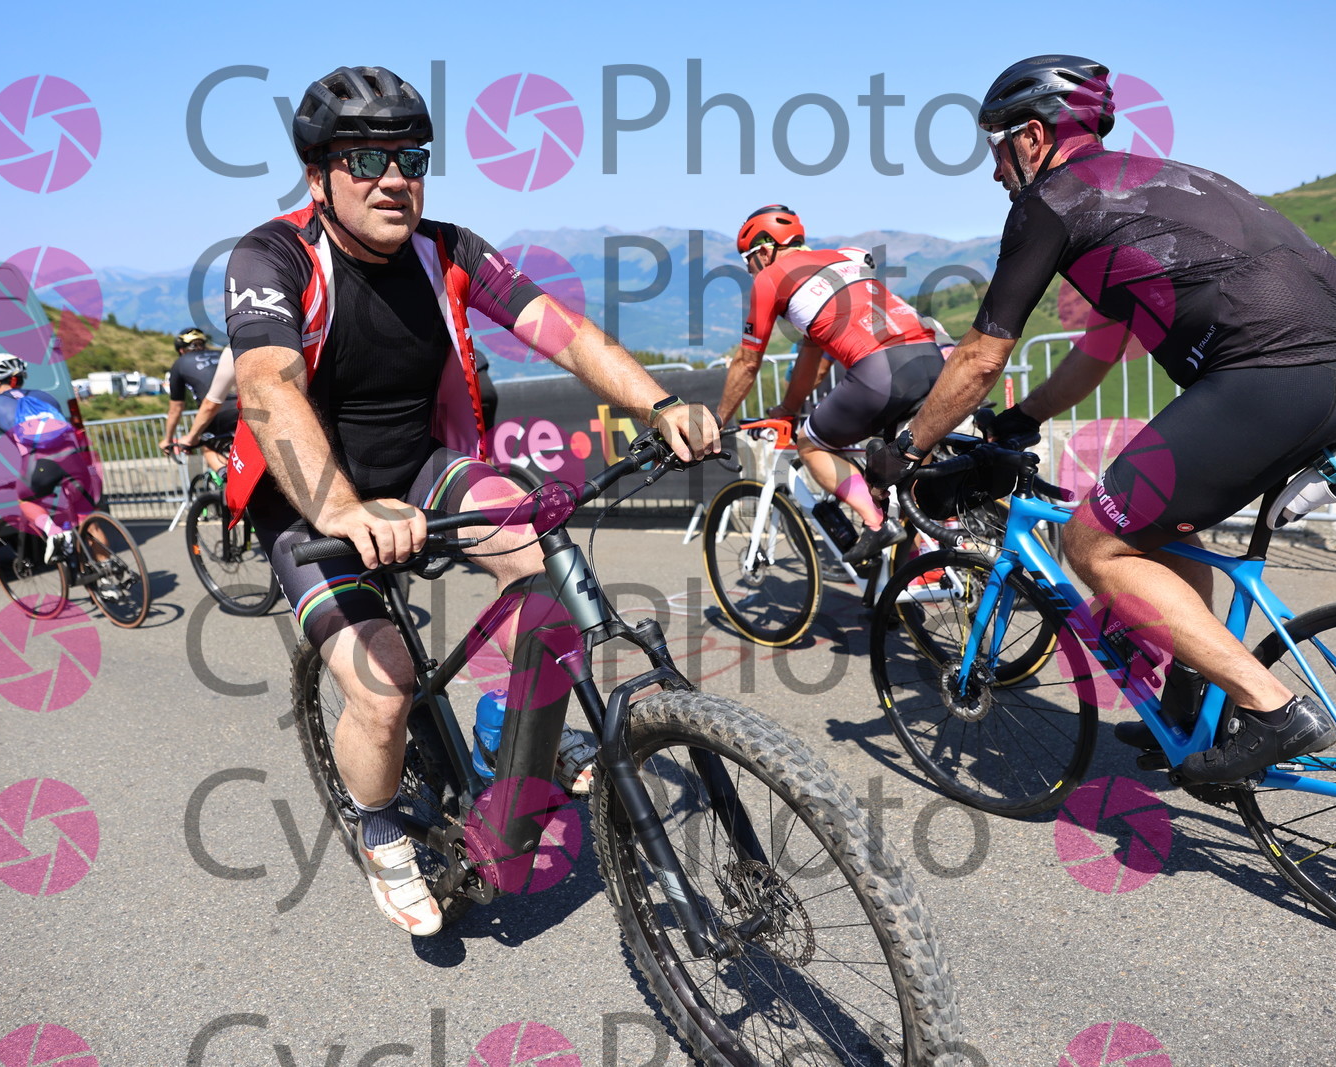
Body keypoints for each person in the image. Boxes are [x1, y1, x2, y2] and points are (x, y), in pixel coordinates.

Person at [222, 65, 719, 936]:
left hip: (417, 467)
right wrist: (342, 510)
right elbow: (267, 384)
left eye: (411, 158)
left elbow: (560, 329)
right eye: (365, 159)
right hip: (308, 500)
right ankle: (380, 825)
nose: (394, 178)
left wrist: (661, 404)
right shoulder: (273, 256)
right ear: (318, 177)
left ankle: (507, 740)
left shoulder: (447, 248)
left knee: (545, 569)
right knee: (386, 689)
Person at [874, 55, 1336, 784]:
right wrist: (1020, 417)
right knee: (1157, 524)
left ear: (1032, 137)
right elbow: (1100, 347)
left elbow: (981, 356)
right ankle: (1192, 699)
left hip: (1272, 375)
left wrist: (907, 446)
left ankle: (1274, 710)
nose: (994, 172)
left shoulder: (1051, 202)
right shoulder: (1154, 185)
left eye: (996, 148)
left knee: (1092, 541)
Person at [715, 204, 950, 565]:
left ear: (763, 251)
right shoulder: (840, 259)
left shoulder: (770, 278)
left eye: (748, 261)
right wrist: (789, 408)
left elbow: (747, 363)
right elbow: (812, 360)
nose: (750, 271)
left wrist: (717, 422)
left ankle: (875, 525)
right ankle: (914, 575)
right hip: (931, 359)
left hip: (882, 372)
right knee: (904, 475)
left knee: (811, 444)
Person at [0, 354, 95, 561]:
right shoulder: (46, 397)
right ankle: (108, 571)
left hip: (40, 463)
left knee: (26, 500)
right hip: (73, 459)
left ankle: (54, 533)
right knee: (87, 519)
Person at [161, 327, 238, 472]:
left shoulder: (180, 363)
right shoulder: (220, 354)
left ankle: (227, 478)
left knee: (207, 446)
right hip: (244, 408)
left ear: (181, 350)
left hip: (217, 413)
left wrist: (168, 439)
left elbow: (175, 409)